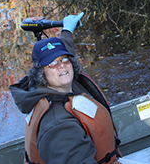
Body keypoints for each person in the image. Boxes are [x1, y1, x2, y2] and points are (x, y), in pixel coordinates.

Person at [9, 12, 122, 164]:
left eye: (64, 59)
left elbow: (64, 51)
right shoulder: (59, 126)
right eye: (52, 63)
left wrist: (67, 29)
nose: (61, 65)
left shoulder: (55, 84)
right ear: (41, 73)